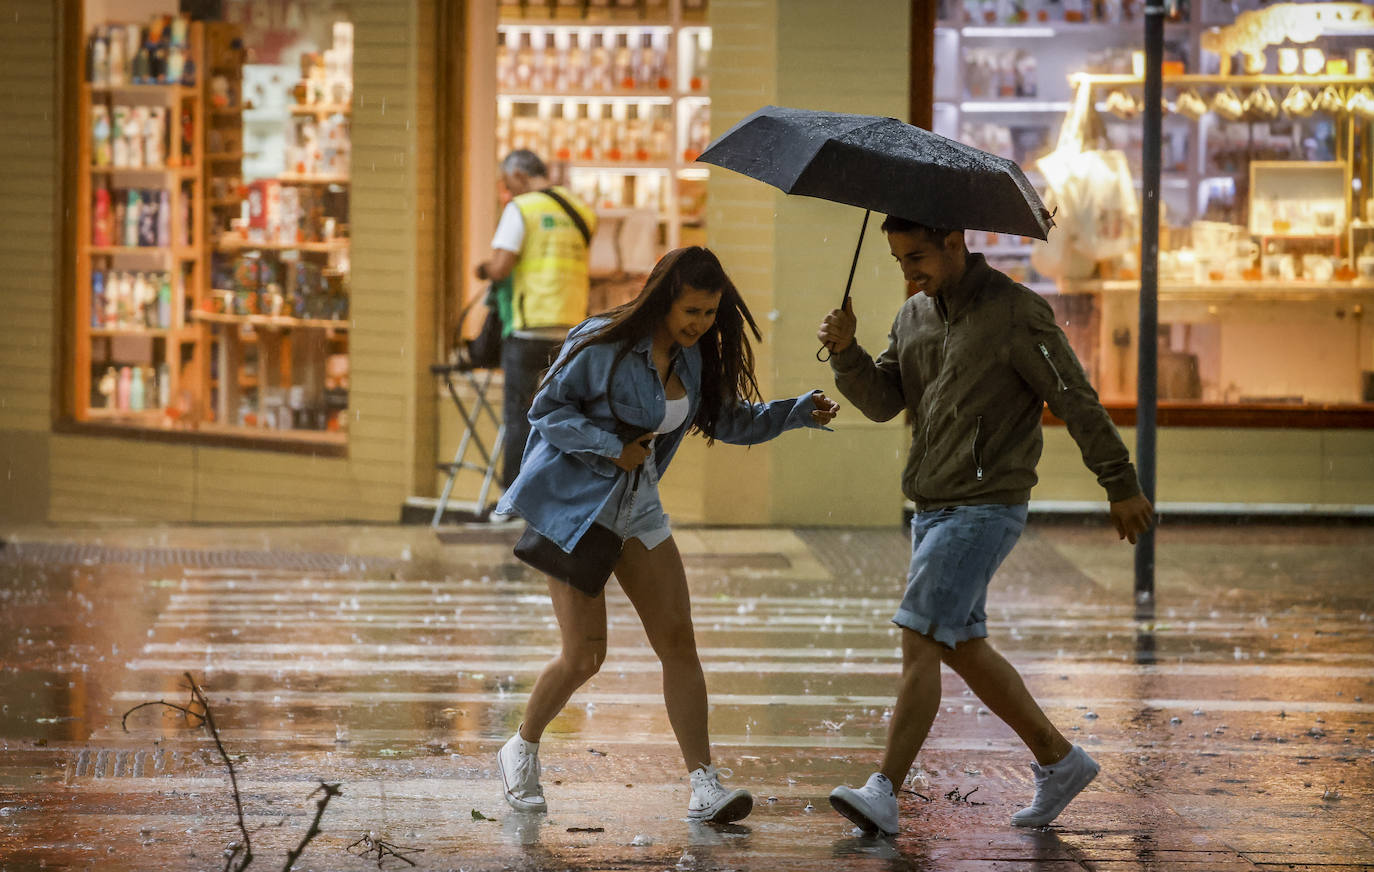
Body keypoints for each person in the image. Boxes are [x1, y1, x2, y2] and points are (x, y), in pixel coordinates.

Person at [816, 215, 1154, 835]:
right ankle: (1060, 760)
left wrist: (1120, 483)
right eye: (898, 261)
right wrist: (847, 354)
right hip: (932, 506)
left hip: (986, 504)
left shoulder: (1015, 312)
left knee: (919, 637)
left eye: (917, 257)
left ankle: (884, 792)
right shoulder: (913, 315)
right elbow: (885, 399)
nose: (909, 273)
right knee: (962, 647)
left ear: (954, 242)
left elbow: (1074, 397)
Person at [493, 246, 841, 823]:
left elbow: (726, 420)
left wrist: (797, 411)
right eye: (691, 312)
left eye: (709, 313)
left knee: (678, 643)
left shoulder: (694, 357)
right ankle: (520, 746)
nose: (700, 324)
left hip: (639, 509)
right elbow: (546, 411)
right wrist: (611, 447)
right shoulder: (602, 341)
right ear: (663, 298)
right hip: (579, 510)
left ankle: (704, 785)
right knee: (584, 657)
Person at [475, 149, 598, 489]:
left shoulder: (522, 209)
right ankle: (558, 490)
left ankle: (516, 496)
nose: (507, 190)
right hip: (570, 329)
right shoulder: (581, 212)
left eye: (506, 182)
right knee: (562, 415)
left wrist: (482, 269)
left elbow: (500, 267)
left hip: (529, 329)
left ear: (518, 175)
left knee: (519, 417)